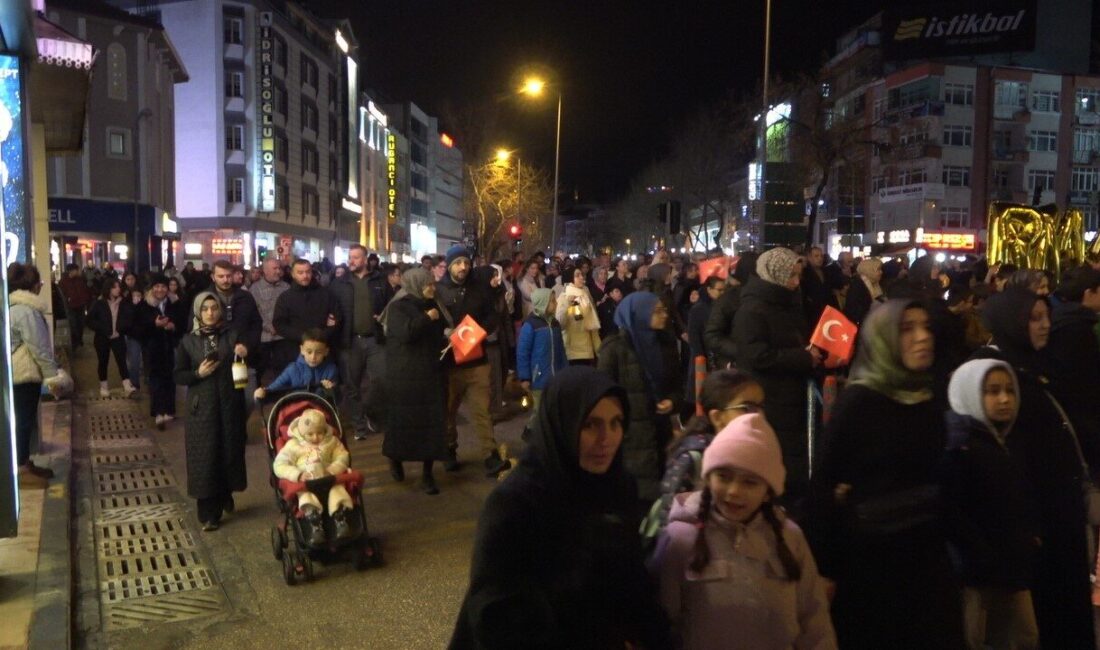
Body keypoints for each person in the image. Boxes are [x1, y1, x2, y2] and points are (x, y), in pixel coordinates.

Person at [449, 367, 671, 649]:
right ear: (562, 424)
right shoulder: (516, 504)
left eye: (616, 423)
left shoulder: (618, 486)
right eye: (591, 424)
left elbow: (630, 579)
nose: (607, 438)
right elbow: (495, 615)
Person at [803, 299, 964, 648]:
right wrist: (824, 568)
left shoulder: (926, 393)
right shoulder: (861, 401)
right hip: (872, 566)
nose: (922, 338)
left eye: (925, 327)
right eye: (906, 330)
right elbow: (824, 485)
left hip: (927, 558)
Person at [652, 413, 837, 649]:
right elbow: (663, 623)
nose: (733, 491)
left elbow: (814, 622)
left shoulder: (790, 538)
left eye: (750, 482)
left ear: (768, 490)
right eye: (723, 477)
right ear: (708, 478)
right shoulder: (681, 538)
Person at [975, 289, 1095, 648]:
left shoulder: (1037, 365)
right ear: (1011, 321)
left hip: (1060, 516)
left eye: (1046, 317)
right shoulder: (995, 373)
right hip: (1034, 523)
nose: (1045, 326)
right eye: (1034, 318)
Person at [940, 359, 1040, 650]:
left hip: (1009, 565)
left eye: (1009, 390)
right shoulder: (960, 446)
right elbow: (951, 510)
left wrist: (1030, 535)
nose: (1005, 399)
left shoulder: (1004, 441)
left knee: (1023, 636)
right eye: (992, 391)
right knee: (978, 637)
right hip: (978, 572)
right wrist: (980, 552)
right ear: (970, 393)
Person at [734, 248, 821, 501]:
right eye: (790, 276)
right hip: (769, 397)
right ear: (775, 275)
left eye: (798, 276)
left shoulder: (788, 302)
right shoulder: (752, 310)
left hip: (792, 394)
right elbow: (757, 355)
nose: (796, 282)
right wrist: (803, 357)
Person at [642, 369, 764, 546]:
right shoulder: (694, 457)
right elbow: (669, 520)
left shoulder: (752, 453)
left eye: (761, 407)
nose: (758, 416)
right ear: (717, 417)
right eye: (747, 408)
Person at [174, 292, 249, 531]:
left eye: (214, 308)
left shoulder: (231, 335)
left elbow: (247, 362)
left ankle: (225, 493)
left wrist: (245, 353)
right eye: (205, 308)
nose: (210, 313)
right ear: (198, 311)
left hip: (229, 404)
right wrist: (198, 374)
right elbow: (178, 374)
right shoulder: (188, 341)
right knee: (204, 458)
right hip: (201, 409)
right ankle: (208, 514)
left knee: (228, 452)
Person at [598, 291, 681, 504]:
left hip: (660, 430)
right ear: (639, 314)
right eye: (658, 311)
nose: (664, 316)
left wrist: (672, 400)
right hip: (630, 435)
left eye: (664, 310)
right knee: (637, 495)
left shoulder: (664, 343)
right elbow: (603, 392)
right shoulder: (615, 348)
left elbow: (675, 383)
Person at [435, 245, 510, 477]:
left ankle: (490, 454)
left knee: (482, 411)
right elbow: (431, 321)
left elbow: (493, 315)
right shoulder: (438, 291)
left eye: (466, 263)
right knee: (448, 411)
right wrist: (446, 332)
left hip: (477, 360)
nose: (463, 267)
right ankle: (449, 450)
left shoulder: (479, 289)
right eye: (458, 263)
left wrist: (476, 331)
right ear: (449, 266)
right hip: (449, 364)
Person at [378, 268, 448, 495]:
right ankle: (395, 457)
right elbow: (405, 334)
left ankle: (428, 474)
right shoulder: (398, 307)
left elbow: (437, 333)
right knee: (403, 422)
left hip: (430, 372)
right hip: (405, 375)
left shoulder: (434, 305)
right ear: (417, 284)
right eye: (428, 284)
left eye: (433, 283)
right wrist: (426, 318)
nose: (432, 288)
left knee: (431, 424)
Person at [8, 263, 62, 489]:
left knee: (24, 420)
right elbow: (39, 347)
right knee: (23, 420)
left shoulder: (17, 307)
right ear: (31, 285)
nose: (41, 285)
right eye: (39, 282)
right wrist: (53, 378)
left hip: (21, 373)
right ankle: (21, 468)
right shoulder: (25, 310)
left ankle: (24, 462)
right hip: (24, 373)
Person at [1043, 266, 1100, 471]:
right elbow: (1085, 380)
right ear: (1089, 293)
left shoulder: (1060, 318)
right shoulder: (1078, 328)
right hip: (1081, 415)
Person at [272, 408, 356, 544]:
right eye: (310, 434)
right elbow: (279, 465)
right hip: (306, 481)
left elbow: (343, 457)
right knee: (304, 495)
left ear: (325, 430)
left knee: (338, 489)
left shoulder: (332, 442)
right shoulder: (293, 445)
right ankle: (315, 523)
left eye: (320, 433)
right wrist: (297, 474)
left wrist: (333, 469)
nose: (316, 437)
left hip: (329, 477)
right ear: (302, 433)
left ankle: (340, 519)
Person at [329, 245, 386, 440]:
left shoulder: (379, 281)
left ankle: (369, 411)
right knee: (352, 386)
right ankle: (359, 426)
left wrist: (383, 318)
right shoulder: (340, 283)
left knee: (380, 381)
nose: (351, 261)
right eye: (349, 257)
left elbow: (390, 305)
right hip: (350, 341)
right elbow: (331, 307)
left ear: (365, 259)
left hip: (375, 340)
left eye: (355, 257)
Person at [132, 276, 185, 428]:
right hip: (152, 348)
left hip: (171, 346)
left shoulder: (175, 303)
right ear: (152, 288)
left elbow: (183, 322)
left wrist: (173, 326)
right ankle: (157, 411)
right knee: (155, 379)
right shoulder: (144, 305)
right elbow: (136, 327)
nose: (160, 290)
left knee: (170, 378)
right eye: (157, 286)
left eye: (163, 286)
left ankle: (169, 410)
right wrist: (153, 324)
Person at [703, 250, 759, 370]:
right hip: (735, 366)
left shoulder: (764, 296)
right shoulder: (728, 299)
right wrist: (742, 351)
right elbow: (712, 336)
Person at [516, 288, 567, 415]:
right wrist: (525, 377)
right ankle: (532, 432)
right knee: (539, 412)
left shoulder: (555, 324)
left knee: (554, 410)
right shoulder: (530, 325)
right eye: (552, 301)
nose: (555, 303)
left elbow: (561, 351)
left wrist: (565, 371)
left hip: (556, 377)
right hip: (538, 377)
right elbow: (523, 353)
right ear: (543, 303)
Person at [254, 328, 338, 401]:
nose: (313, 357)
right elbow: (274, 388)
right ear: (302, 350)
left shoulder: (331, 369)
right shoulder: (292, 369)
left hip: (320, 411)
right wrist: (263, 391)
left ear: (326, 352)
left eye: (318, 352)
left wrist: (331, 390)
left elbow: (337, 398)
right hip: (297, 411)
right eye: (309, 352)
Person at [87, 279, 137, 398]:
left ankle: (126, 385)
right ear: (108, 289)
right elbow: (89, 320)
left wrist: (121, 329)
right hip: (102, 337)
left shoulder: (123, 302)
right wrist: (101, 328)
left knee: (121, 361)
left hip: (118, 337)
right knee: (103, 361)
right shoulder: (99, 303)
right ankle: (103, 386)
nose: (118, 289)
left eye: (119, 287)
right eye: (115, 287)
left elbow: (129, 318)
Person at [248, 256, 290, 382]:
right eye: (274, 268)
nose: (278, 271)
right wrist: (267, 326)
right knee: (263, 372)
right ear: (265, 271)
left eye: (279, 268)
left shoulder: (287, 287)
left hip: (283, 338)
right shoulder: (255, 289)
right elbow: (254, 312)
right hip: (263, 339)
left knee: (283, 371)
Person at [556, 268, 601, 366]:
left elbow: (591, 324)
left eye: (581, 275)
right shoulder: (565, 297)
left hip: (587, 348)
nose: (582, 277)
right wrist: (567, 304)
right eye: (577, 275)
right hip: (573, 351)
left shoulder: (584, 295)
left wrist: (597, 348)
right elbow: (560, 323)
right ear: (570, 278)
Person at [801, 246, 838, 327]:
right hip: (811, 313)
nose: (820, 258)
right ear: (809, 257)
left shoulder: (826, 272)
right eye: (816, 256)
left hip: (826, 311)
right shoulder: (804, 273)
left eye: (821, 256)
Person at [842, 257, 884, 327]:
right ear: (869, 270)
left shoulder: (873, 283)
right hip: (858, 325)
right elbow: (853, 310)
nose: (881, 272)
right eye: (878, 269)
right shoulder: (857, 285)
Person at [58, 263, 91, 350]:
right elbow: (62, 294)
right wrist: (67, 300)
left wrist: (85, 300)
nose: (78, 271)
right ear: (72, 271)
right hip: (70, 306)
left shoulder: (80, 279)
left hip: (81, 305)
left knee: (81, 323)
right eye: (77, 270)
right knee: (73, 325)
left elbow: (85, 290)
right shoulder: (63, 281)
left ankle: (79, 339)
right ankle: (74, 343)